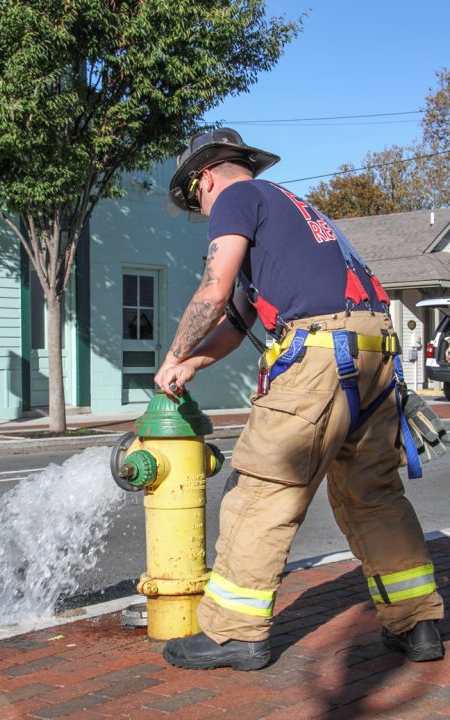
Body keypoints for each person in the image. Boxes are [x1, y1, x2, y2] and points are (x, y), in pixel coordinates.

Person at [155, 128, 445, 670]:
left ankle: (233, 635)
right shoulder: (296, 210)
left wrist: (172, 355)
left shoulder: (236, 198)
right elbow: (241, 316)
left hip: (317, 357)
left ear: (207, 177)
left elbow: (214, 292)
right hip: (374, 353)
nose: (202, 208)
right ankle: (418, 625)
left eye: (196, 197)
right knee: (372, 494)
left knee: (263, 492)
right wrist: (192, 364)